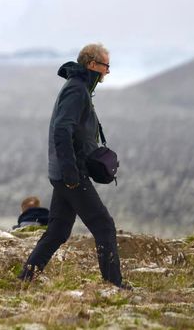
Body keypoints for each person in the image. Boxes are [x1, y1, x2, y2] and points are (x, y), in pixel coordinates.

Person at [18, 43, 126, 288]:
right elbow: (62, 130)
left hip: (64, 172)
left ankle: (25, 278)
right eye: (106, 66)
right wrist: (70, 172)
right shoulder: (77, 90)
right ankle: (113, 285)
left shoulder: (81, 88)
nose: (108, 72)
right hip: (70, 173)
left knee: (57, 231)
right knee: (104, 224)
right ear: (92, 64)